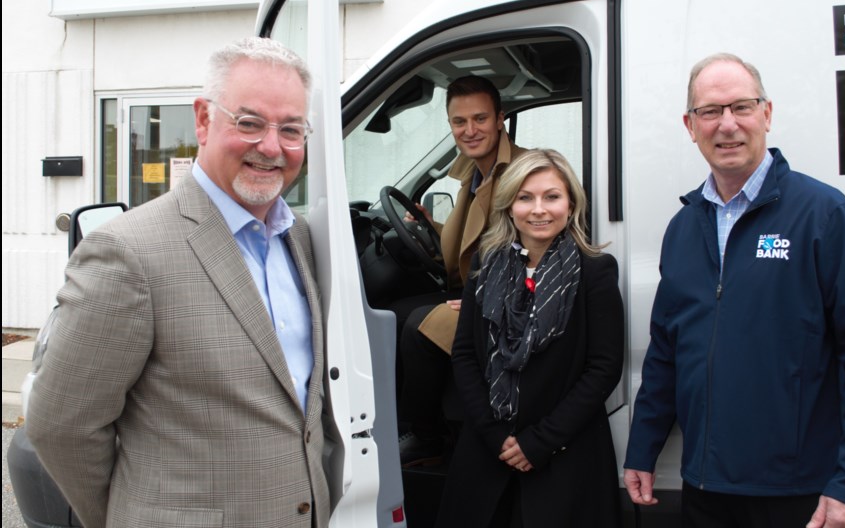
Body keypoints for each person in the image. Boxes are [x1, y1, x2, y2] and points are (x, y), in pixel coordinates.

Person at [27, 37, 333, 528]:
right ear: (204, 119)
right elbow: (60, 426)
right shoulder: (129, 252)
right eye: (249, 123)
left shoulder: (299, 237)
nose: (272, 147)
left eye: (291, 129)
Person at [623, 53, 845, 528]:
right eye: (710, 111)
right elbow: (667, 352)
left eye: (741, 107)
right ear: (691, 125)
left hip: (797, 492)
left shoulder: (822, 215)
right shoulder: (684, 228)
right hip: (705, 488)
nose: (727, 124)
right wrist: (643, 449)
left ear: (766, 115)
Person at [436, 148, 624, 528]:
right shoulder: (484, 270)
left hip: (564, 456)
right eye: (525, 197)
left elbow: (603, 369)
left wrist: (539, 442)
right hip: (490, 451)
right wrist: (495, 435)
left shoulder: (595, 273)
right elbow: (466, 355)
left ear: (571, 205)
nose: (539, 209)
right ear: (509, 206)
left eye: (551, 196)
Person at [397, 75, 525, 465]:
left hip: (511, 306)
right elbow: (470, 242)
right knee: (396, 311)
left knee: (419, 326)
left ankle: (429, 436)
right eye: (459, 121)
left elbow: (535, 250)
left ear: (500, 118)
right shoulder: (475, 172)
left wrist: (480, 297)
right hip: (474, 290)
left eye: (480, 118)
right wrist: (426, 227)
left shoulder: (521, 170)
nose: (470, 131)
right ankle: (401, 421)